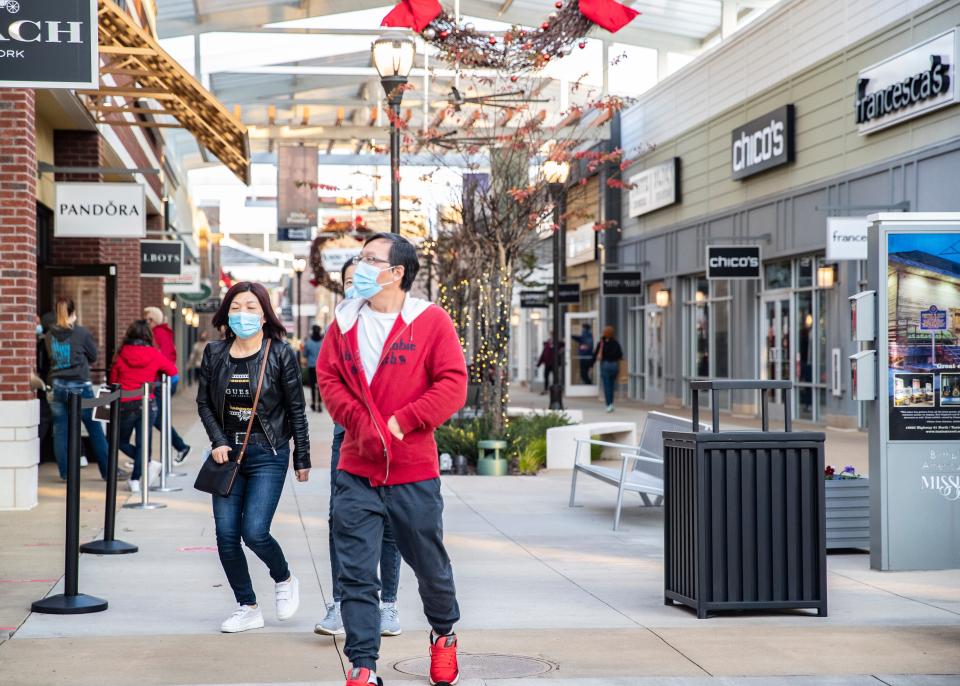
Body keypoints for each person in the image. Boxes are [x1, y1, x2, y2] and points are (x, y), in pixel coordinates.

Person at [318, 233, 467, 686]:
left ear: (397, 271)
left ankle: (443, 636)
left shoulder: (430, 321)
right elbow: (329, 382)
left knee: (430, 567)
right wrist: (363, 428)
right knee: (356, 573)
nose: (359, 266)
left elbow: (453, 382)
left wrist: (404, 422)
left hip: (413, 472)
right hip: (356, 472)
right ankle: (363, 665)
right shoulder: (343, 324)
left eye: (369, 259)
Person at [196, 282, 311, 634]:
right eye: (235, 307)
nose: (241, 314)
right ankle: (247, 606)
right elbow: (203, 402)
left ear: (263, 314)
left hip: (268, 452)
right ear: (226, 314)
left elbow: (296, 409)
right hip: (227, 453)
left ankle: (284, 577)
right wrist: (217, 440)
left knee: (255, 531)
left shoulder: (279, 353)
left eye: (250, 307)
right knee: (226, 535)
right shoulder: (215, 353)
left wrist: (301, 457)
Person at [315, 259, 403, 640]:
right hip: (347, 437)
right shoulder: (341, 330)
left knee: (391, 523)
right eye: (348, 282)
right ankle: (340, 603)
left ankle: (388, 606)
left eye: (360, 281)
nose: (355, 288)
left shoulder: (399, 325)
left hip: (392, 438)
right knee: (341, 520)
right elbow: (328, 381)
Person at [40, 299, 110, 481]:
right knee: (94, 428)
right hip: (79, 385)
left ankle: (65, 473)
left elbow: (50, 357)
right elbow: (94, 356)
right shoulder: (81, 332)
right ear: (73, 313)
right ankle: (108, 471)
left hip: (57, 385)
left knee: (61, 430)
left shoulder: (49, 335)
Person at [110, 320, 178, 492]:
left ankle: (138, 475)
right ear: (148, 335)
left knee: (119, 441)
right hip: (147, 402)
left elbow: (113, 381)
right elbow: (172, 371)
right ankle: (139, 473)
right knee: (143, 444)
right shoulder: (154, 354)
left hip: (125, 404)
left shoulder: (121, 353)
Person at [144, 307, 191, 463]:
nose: (145, 322)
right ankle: (144, 457)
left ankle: (180, 447)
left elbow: (161, 359)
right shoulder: (163, 332)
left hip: (162, 380)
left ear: (152, 320)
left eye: (147, 319)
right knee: (156, 418)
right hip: (165, 379)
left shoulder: (158, 333)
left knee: (156, 418)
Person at [593, 325, 624, 413]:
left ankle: (608, 404)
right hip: (614, 365)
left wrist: (591, 364)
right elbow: (620, 355)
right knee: (611, 385)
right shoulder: (616, 343)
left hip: (605, 365)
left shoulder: (601, 343)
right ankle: (611, 404)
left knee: (606, 386)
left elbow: (595, 355)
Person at [303, 325, 324, 413]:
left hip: (311, 366)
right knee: (320, 386)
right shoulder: (323, 342)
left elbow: (305, 354)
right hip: (321, 367)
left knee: (312, 386)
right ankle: (319, 404)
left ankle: (313, 404)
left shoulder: (308, 342)